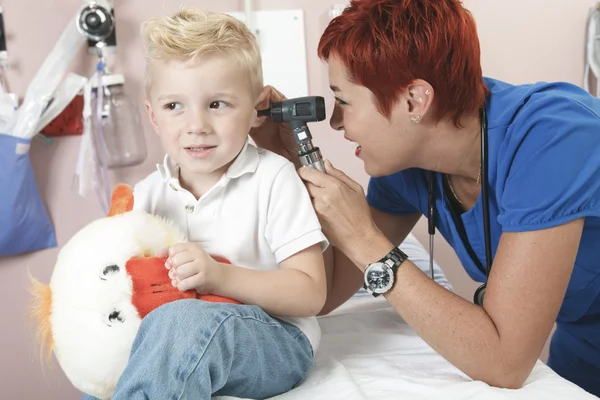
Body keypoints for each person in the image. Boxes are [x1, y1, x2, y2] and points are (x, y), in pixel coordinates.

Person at [250, 0, 600, 397]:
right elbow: (322, 292)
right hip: (582, 349)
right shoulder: (407, 168)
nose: (334, 121)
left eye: (344, 100)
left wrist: (365, 240)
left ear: (414, 100)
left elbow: (505, 363)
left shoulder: (552, 138)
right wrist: (290, 159)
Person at [82, 7, 329, 400]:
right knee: (108, 369)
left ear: (255, 110)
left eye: (217, 104)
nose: (196, 124)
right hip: (174, 336)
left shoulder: (274, 179)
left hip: (274, 339)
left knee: (180, 322)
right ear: (153, 116)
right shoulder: (146, 195)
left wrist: (220, 277)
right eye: (174, 106)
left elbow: (311, 293)